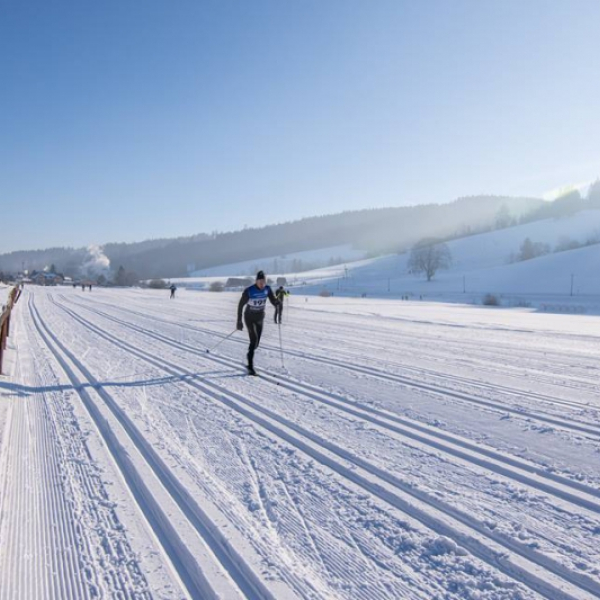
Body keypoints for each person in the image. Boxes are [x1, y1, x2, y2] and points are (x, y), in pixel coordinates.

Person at [237, 271, 279, 375]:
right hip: (249, 317)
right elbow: (240, 305)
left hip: (260, 317)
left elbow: (273, 300)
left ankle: (249, 355)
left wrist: (277, 303)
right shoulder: (249, 291)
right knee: (253, 340)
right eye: (260, 281)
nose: (262, 283)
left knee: (256, 344)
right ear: (256, 281)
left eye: (263, 281)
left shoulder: (267, 289)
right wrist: (239, 320)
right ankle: (250, 367)